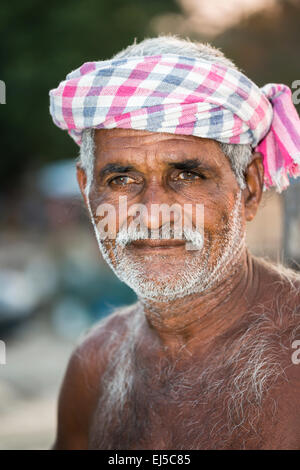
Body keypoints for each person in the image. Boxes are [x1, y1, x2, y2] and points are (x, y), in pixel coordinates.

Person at [49, 35, 300, 449]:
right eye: (122, 179)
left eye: (187, 175)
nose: (153, 212)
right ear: (86, 189)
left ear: (249, 188)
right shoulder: (92, 366)